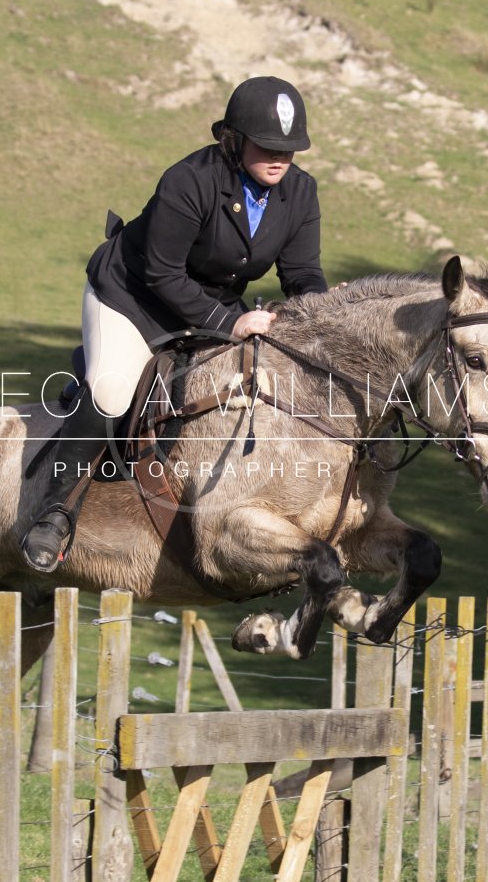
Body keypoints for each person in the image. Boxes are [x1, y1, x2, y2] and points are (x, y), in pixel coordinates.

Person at [22, 75, 329, 571]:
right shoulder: (189, 180)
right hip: (132, 299)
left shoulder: (300, 192)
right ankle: (53, 512)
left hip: (210, 307)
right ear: (234, 139)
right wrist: (229, 323)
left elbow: (302, 274)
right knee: (113, 392)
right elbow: (162, 274)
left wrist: (321, 311)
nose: (279, 158)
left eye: (289, 150)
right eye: (266, 145)